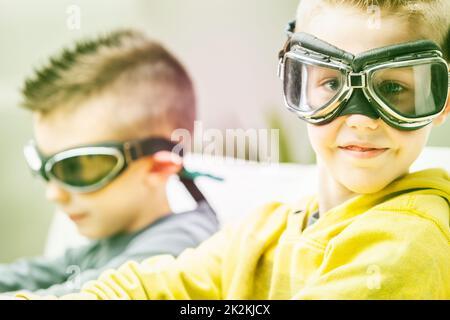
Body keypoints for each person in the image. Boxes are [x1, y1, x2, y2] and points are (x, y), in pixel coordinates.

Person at [18, 0, 450, 299]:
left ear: (442, 103)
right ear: (294, 84)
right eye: (331, 83)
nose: (359, 118)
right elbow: (159, 285)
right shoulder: (269, 228)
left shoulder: (411, 241)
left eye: (393, 87)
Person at [0, 29, 219, 296]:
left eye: (76, 166)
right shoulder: (110, 241)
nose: (53, 193)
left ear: (158, 167)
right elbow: (29, 276)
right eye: (42, 164)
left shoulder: (181, 251)